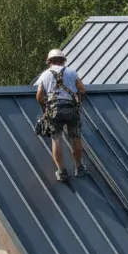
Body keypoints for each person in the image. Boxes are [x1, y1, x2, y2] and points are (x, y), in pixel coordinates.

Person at [36, 48, 87, 182]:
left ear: (49, 61)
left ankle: (61, 170)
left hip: (54, 111)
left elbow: (39, 96)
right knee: (75, 136)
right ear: (63, 60)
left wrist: (45, 109)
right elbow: (82, 90)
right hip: (71, 109)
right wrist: (78, 104)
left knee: (56, 138)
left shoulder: (45, 75)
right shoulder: (71, 72)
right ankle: (79, 167)